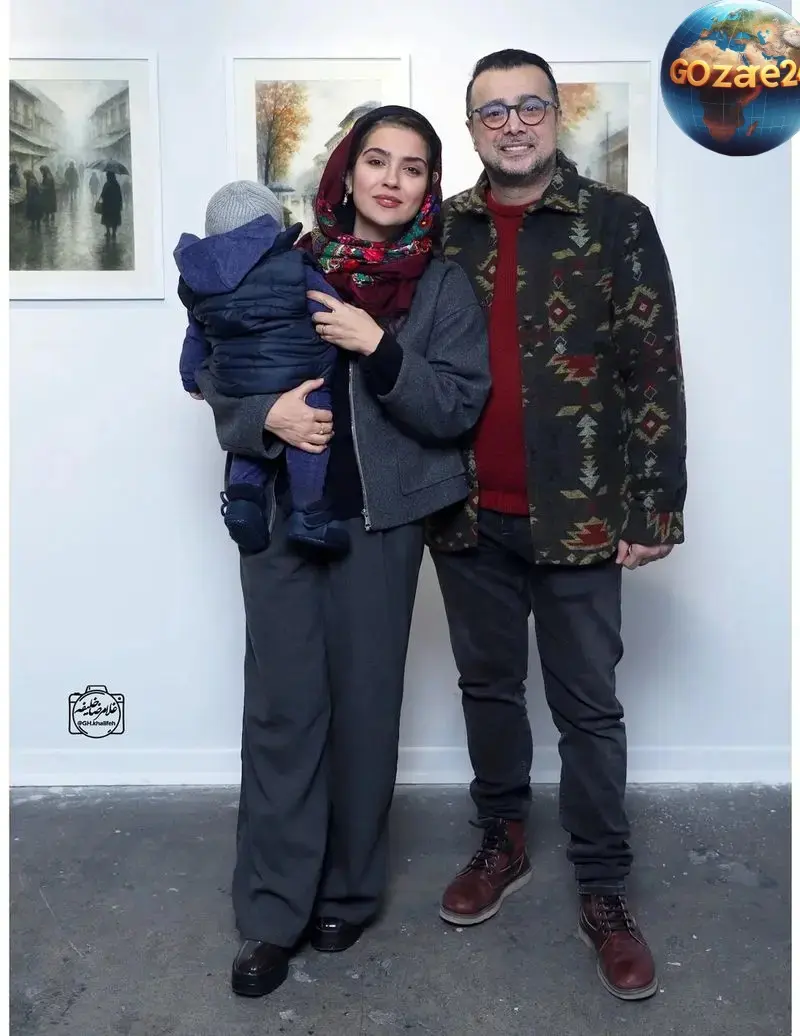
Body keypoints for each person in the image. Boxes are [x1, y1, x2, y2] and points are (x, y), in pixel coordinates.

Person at [192, 104, 491, 999]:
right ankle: (271, 913)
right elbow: (216, 368)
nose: (391, 179)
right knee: (284, 712)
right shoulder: (286, 261)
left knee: (365, 708)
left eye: (412, 166)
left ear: (429, 187)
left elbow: (456, 407)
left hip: (381, 525)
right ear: (346, 172)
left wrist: (378, 347)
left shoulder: (442, 287)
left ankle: (347, 894)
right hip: (281, 516)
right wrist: (265, 418)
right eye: (376, 160)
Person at [426, 49, 687, 1001]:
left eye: (529, 105)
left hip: (581, 516)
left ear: (555, 115)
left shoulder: (616, 222)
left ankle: (604, 889)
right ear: (472, 129)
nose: (513, 124)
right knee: (488, 690)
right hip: (465, 513)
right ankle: (501, 840)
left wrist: (656, 504)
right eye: (492, 111)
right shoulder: (442, 230)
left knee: (588, 708)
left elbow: (653, 367)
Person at [174, 180, 349, 554]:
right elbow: (329, 309)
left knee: (250, 439)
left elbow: (196, 337)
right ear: (272, 227)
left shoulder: (200, 281)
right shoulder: (294, 265)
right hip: (301, 375)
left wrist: (191, 378)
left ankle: (243, 499)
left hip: (237, 383)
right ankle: (309, 515)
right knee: (310, 433)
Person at [98, 170, 122, 239]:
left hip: (107, 205)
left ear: (109, 176)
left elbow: (103, 194)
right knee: (115, 219)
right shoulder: (116, 184)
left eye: (107, 176)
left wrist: (101, 197)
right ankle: (114, 232)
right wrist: (120, 203)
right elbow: (120, 195)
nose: (106, 177)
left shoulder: (107, 184)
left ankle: (108, 231)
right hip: (115, 205)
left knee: (107, 218)